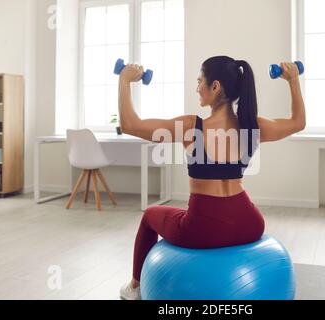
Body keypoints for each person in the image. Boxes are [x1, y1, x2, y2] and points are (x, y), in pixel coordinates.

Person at [117, 56, 306, 300]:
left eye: (199, 82)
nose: (197, 88)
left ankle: (134, 287)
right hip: (250, 223)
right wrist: (292, 80)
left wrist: (124, 81)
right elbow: (298, 122)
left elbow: (131, 125)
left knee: (150, 215)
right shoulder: (253, 126)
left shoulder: (190, 127)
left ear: (215, 87)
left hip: (204, 227)